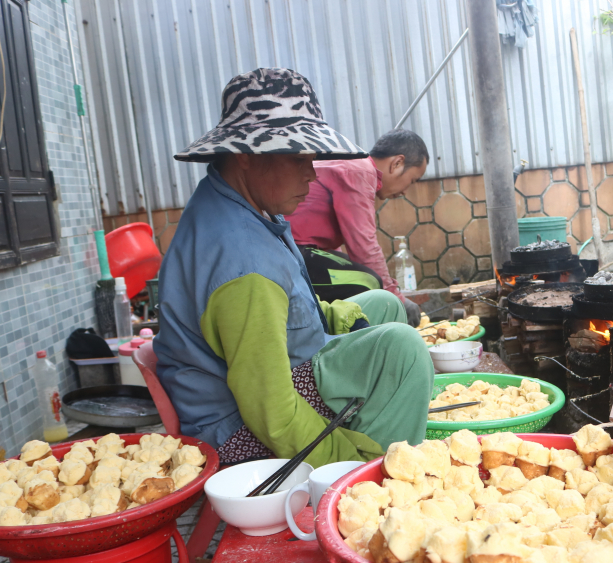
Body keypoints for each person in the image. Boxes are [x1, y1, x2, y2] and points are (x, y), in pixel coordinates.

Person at [153, 68, 433, 467]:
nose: (312, 173)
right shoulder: (243, 264)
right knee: (402, 350)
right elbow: (271, 410)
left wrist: (345, 317)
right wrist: (347, 461)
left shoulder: (237, 204)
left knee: (381, 306)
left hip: (270, 372)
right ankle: (379, 480)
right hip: (237, 429)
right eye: (299, 158)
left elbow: (294, 308)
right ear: (246, 156)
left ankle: (384, 422)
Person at [287, 129, 429, 324]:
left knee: (358, 273)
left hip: (300, 250)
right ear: (397, 163)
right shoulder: (360, 170)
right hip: (290, 252)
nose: (406, 191)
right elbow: (364, 247)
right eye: (412, 181)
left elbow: (332, 252)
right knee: (369, 281)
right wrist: (397, 299)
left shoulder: (353, 165)